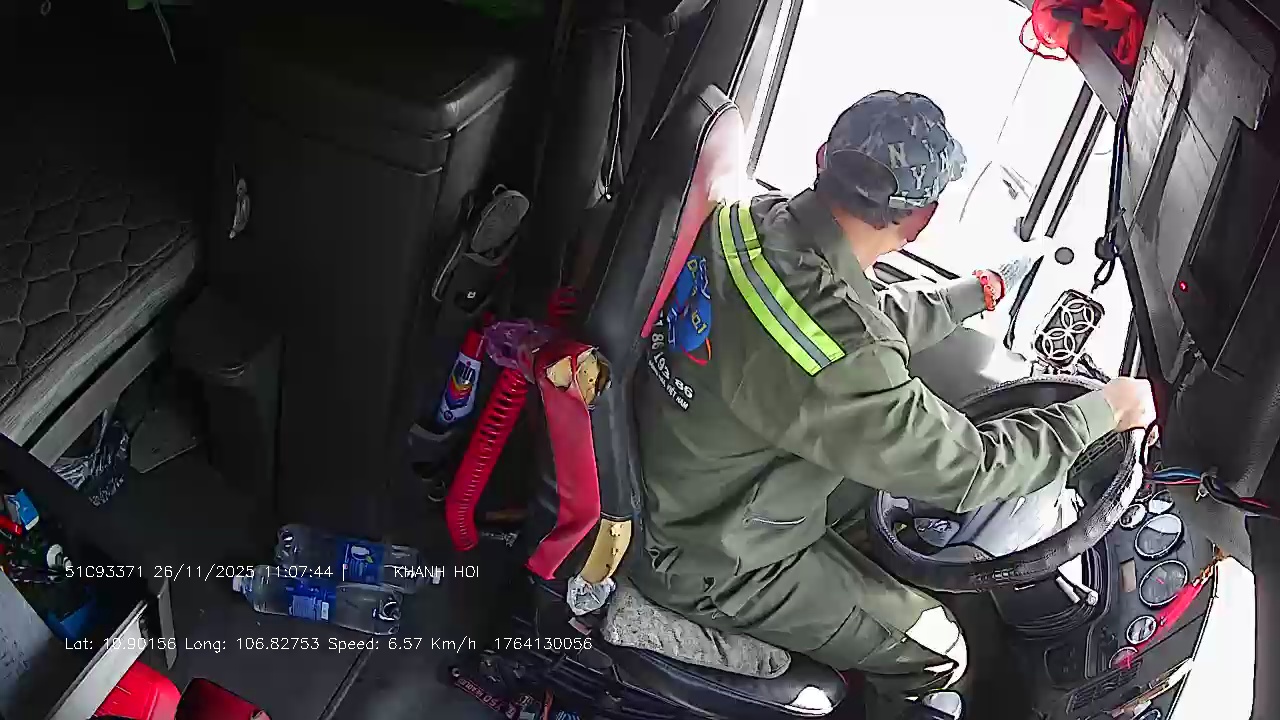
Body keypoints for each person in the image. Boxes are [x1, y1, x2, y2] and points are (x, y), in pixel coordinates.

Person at [629, 90, 1157, 719]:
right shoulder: (843, 354)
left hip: (694, 475)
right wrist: (1105, 411)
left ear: (823, 156)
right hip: (710, 556)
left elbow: (850, 317)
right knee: (939, 651)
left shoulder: (752, 219)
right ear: (922, 221)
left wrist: (974, 293)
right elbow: (974, 469)